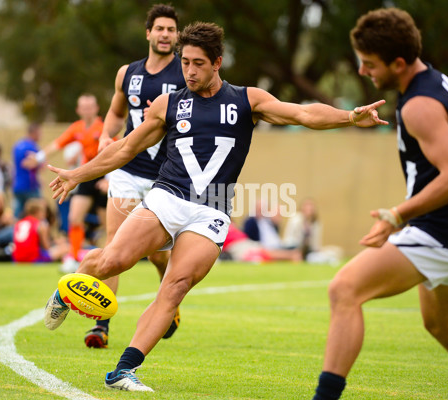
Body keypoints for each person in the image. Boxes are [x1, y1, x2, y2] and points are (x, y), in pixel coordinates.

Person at [44, 21, 386, 392]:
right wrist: (79, 174)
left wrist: (350, 116)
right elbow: (126, 148)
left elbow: (302, 114)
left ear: (217, 62)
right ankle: (67, 289)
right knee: (112, 262)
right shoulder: (169, 103)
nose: (189, 71)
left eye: (198, 64)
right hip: (167, 198)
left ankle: (124, 370)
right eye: (185, 62)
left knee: (174, 288)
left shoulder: (246, 100)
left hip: (213, 210)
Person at [310, 8, 448, 400]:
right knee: (442, 326)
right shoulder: (437, 80)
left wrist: (399, 214)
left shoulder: (418, 106)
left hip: (441, 229)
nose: (363, 73)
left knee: (343, 289)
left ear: (398, 63)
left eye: (369, 64)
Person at [83, 3, 187, 350]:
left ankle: (168, 303)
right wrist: (104, 136)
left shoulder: (186, 75)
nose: (165, 34)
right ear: (148, 33)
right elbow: (115, 114)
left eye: (171, 30)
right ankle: (101, 324)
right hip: (128, 172)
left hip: (166, 177)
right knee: (114, 246)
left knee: (158, 255)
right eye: (160, 28)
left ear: (176, 36)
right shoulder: (127, 73)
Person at [23, 94, 108, 270]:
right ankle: (74, 257)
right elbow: (58, 144)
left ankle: (113, 259)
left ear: (96, 108)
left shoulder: (105, 127)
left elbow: (116, 153)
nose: (86, 110)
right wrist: (38, 158)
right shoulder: (77, 128)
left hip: (105, 177)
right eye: (83, 107)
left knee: (110, 225)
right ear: (78, 110)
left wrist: (109, 179)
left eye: (90, 106)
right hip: (86, 175)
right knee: (74, 218)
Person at [12, 198, 69, 263]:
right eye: (43, 212)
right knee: (65, 248)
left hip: (17, 258)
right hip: (33, 258)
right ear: (37, 212)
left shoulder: (19, 223)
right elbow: (47, 247)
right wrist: (56, 243)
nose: (44, 215)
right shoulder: (40, 225)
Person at [222, 222, 302, 263]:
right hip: (235, 246)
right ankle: (290, 256)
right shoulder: (220, 229)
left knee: (265, 250)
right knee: (263, 254)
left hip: (245, 242)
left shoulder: (231, 225)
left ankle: (291, 255)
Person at [12, 123, 43, 218]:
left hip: (17, 185)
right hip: (30, 186)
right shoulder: (32, 147)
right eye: (39, 133)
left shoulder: (17, 145)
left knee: (18, 215)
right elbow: (30, 164)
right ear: (34, 133)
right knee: (37, 213)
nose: (41, 136)